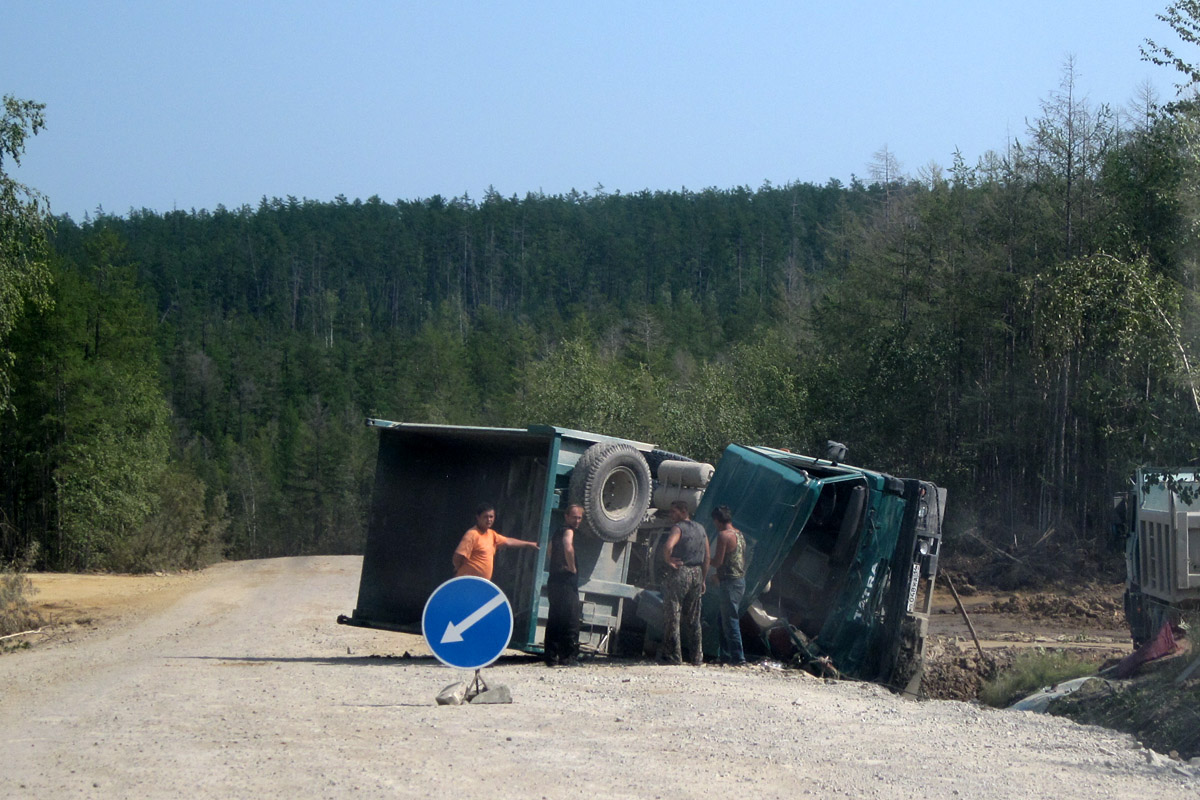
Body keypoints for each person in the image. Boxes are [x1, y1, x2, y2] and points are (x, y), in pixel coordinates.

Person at [658, 500, 709, 665]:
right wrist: (703, 579)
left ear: (682, 511)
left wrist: (668, 560)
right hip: (697, 573)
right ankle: (697, 657)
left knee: (673, 614)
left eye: (673, 512)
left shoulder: (678, 528)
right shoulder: (701, 529)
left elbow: (668, 546)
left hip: (682, 572)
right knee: (694, 618)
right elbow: (707, 556)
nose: (671, 515)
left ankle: (673, 656)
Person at [452, 503, 538, 580]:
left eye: (491, 517)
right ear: (478, 517)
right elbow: (457, 557)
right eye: (485, 517)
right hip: (466, 582)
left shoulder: (492, 534)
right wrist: (462, 569)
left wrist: (529, 544)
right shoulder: (472, 534)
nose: (489, 520)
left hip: (482, 585)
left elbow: (508, 541)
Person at [544, 504, 583, 667]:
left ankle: (551, 658)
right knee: (570, 620)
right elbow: (568, 546)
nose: (577, 520)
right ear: (566, 516)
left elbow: (549, 550)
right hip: (566, 582)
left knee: (554, 619)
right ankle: (567, 657)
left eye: (580, 517)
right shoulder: (568, 531)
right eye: (574, 516)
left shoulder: (557, 531)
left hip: (554, 580)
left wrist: (556, 563)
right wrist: (572, 566)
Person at [708, 504, 747, 665]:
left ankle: (738, 658)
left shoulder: (723, 536)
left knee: (730, 621)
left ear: (717, 521)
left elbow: (718, 561)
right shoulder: (739, 534)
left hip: (729, 583)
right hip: (739, 582)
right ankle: (725, 655)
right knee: (722, 619)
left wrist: (704, 559)